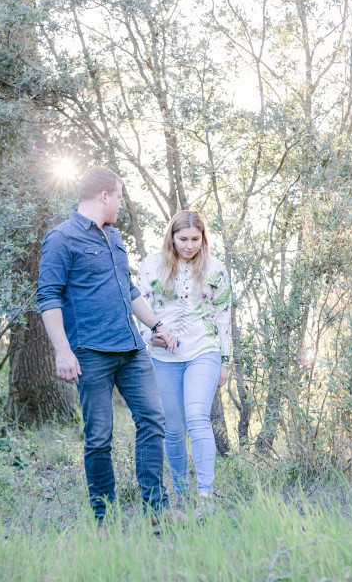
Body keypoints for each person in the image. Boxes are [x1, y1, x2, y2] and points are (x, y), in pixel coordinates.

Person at [36, 166, 177, 525]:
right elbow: (48, 296)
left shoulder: (115, 238)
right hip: (90, 353)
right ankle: (105, 520)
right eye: (118, 196)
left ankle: (155, 513)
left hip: (131, 349)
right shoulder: (61, 238)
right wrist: (62, 351)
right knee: (99, 437)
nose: (119, 204)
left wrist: (157, 325)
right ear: (104, 195)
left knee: (153, 421)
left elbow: (129, 291)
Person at [136, 210, 231, 519]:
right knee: (173, 427)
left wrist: (225, 361)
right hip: (164, 356)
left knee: (196, 416)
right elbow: (138, 309)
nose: (190, 246)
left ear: (203, 239)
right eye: (183, 239)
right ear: (171, 238)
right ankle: (180, 493)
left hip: (203, 350)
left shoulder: (215, 269)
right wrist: (151, 338)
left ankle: (206, 495)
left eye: (195, 239)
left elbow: (224, 316)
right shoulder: (150, 266)